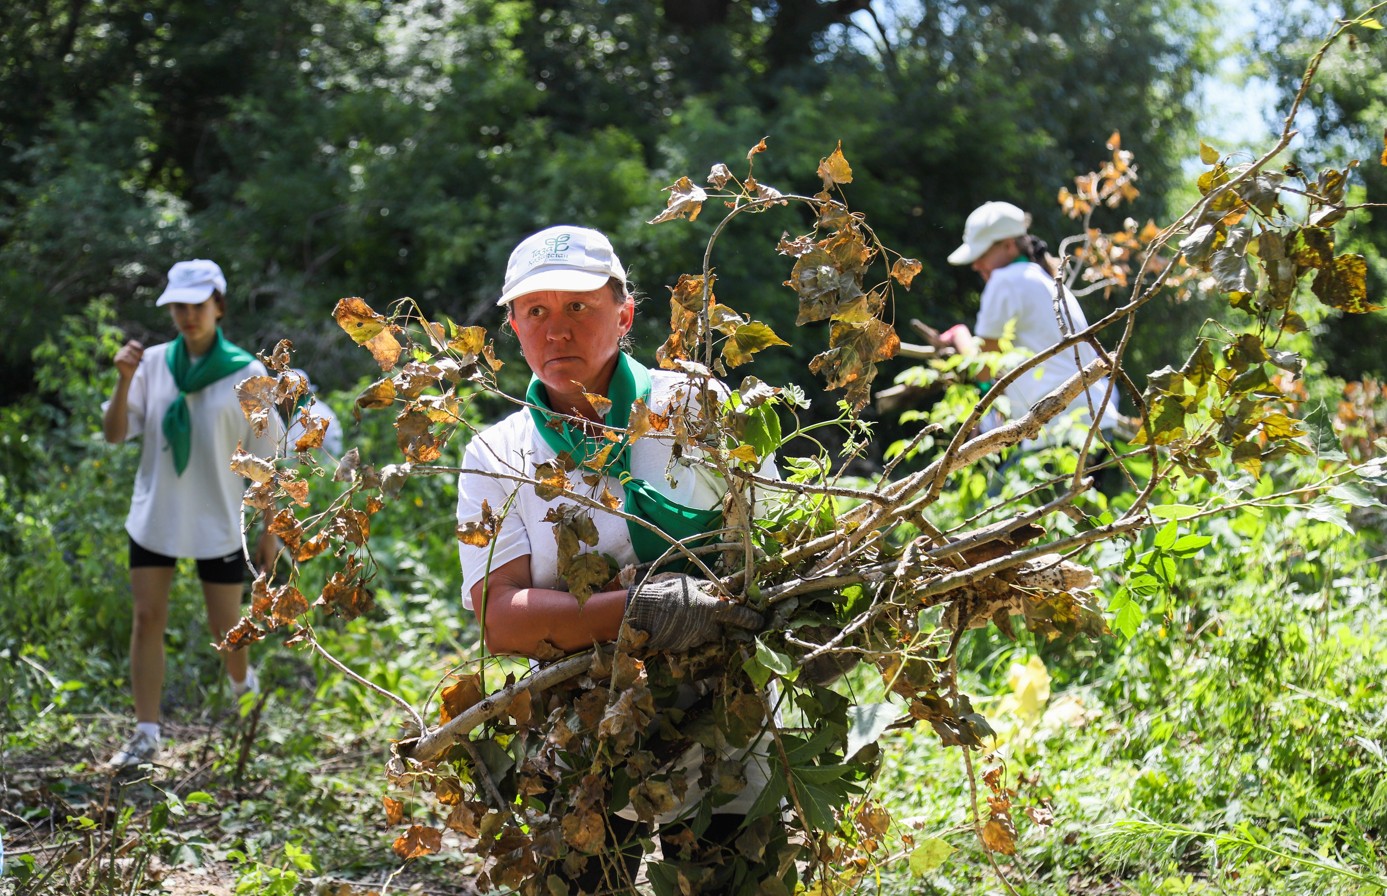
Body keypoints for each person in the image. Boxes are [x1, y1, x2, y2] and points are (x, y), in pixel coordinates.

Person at [455, 226, 778, 894]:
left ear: (624, 314)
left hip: (725, 721)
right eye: (535, 312)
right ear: (512, 325)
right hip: (585, 737)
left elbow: (781, 551)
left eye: (579, 307)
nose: (556, 331)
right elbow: (503, 618)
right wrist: (638, 611)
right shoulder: (497, 454)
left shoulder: (698, 409)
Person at [101, 259, 281, 770]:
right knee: (146, 617)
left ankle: (244, 694)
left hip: (219, 518)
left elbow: (267, 460)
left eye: (196, 305)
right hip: (156, 513)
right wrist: (123, 380)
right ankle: (146, 732)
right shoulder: (152, 363)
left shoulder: (249, 373)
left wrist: (270, 532)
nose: (186, 315)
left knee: (227, 626)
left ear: (218, 306)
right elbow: (115, 433)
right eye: (177, 306)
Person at [935, 201, 1124, 450]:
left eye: (981, 254)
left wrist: (960, 335)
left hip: (1059, 433)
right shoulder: (1048, 282)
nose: (976, 264)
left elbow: (984, 369)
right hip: (1099, 421)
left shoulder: (1005, 281)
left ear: (1008, 245)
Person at [284, 367, 343, 458]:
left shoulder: (304, 416)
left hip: (322, 468)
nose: (279, 399)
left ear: (294, 394)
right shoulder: (316, 407)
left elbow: (296, 458)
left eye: (282, 394)